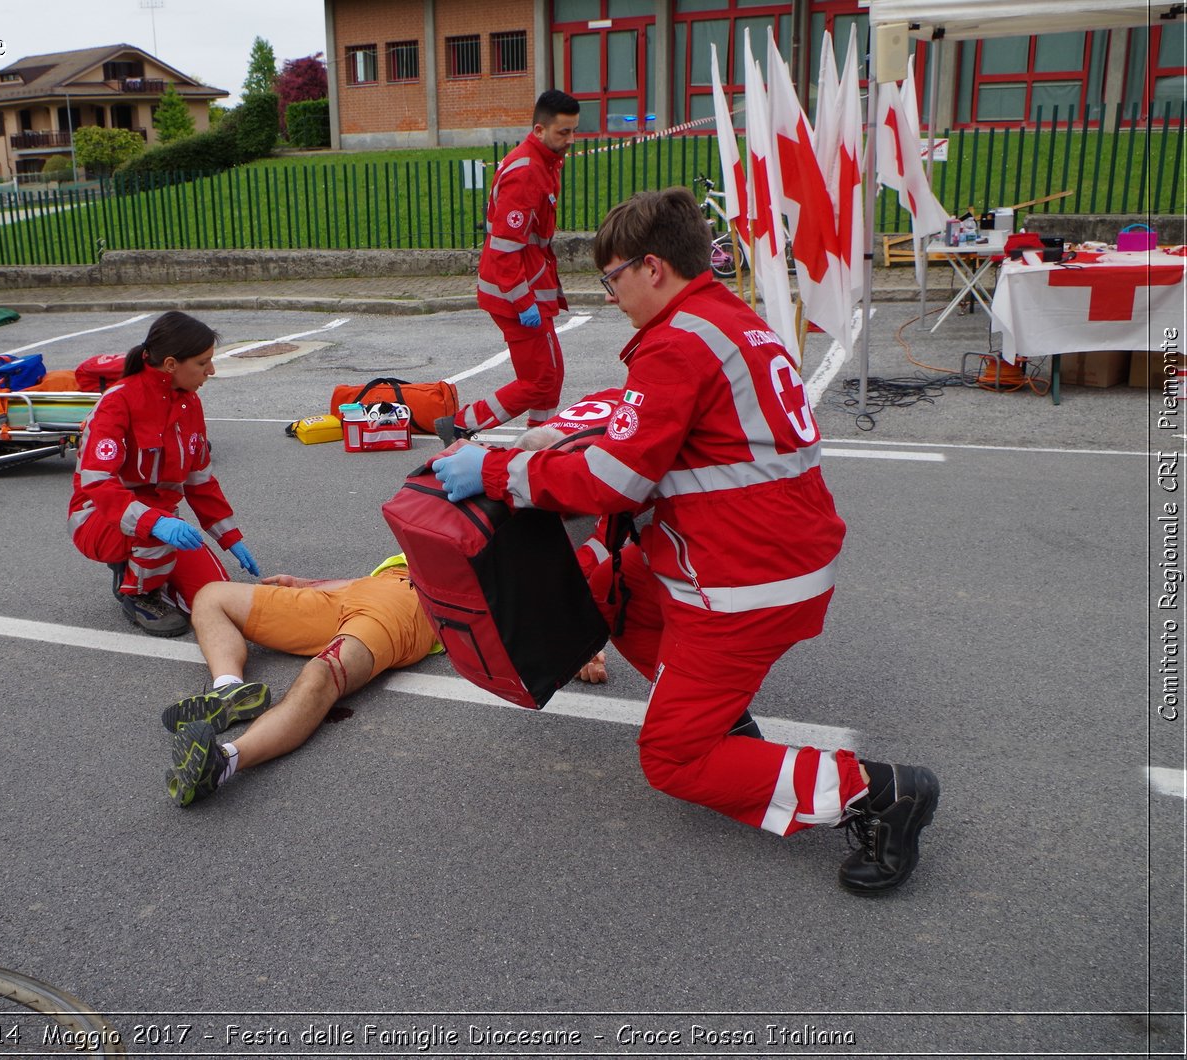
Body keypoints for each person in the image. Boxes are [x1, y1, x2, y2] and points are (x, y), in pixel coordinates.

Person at [431, 187, 940, 894]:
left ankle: (879, 794)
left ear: (651, 268)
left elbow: (613, 481)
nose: (610, 296)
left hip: (740, 580)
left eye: (611, 279)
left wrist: (496, 467)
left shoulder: (676, 344)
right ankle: (717, 716)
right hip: (766, 556)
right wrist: (552, 440)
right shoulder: (727, 322)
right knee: (613, 589)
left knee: (671, 759)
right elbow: (646, 426)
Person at [160, 555, 439, 806]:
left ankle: (223, 762)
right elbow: (371, 579)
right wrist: (308, 584)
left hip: (405, 606)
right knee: (212, 596)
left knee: (321, 674)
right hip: (359, 592)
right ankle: (227, 688)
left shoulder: (476, 531)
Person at [67, 311, 259, 637]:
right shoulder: (119, 402)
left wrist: (231, 538)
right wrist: (154, 523)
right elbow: (98, 483)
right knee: (156, 541)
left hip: (160, 522)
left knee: (216, 596)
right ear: (171, 364)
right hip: (100, 518)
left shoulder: (189, 404)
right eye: (202, 363)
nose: (210, 371)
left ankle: (148, 569)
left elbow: (200, 480)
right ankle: (139, 593)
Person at [435, 90, 580, 447]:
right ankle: (460, 423)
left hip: (525, 287)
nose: (571, 140)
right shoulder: (527, 172)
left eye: (574, 131)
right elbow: (503, 249)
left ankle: (538, 446)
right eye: (564, 132)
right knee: (539, 381)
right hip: (516, 291)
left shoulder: (542, 163)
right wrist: (523, 301)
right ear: (540, 129)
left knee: (550, 377)